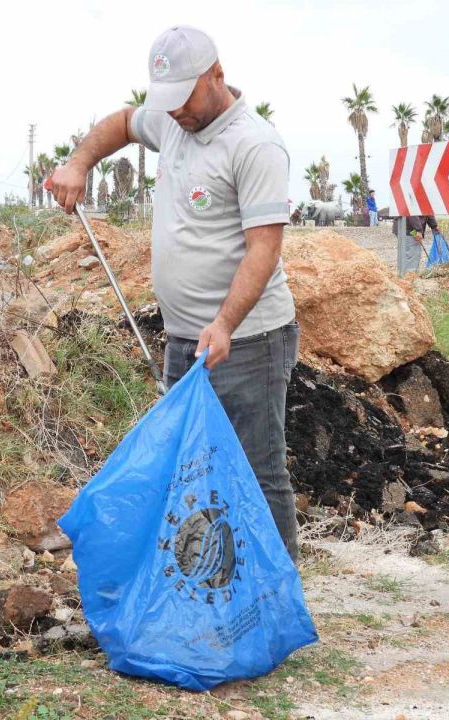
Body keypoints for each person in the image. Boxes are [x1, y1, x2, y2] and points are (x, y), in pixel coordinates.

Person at [48, 26, 301, 561]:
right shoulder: (175, 122)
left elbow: (264, 249)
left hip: (249, 342)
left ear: (217, 76)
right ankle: (214, 588)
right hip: (185, 343)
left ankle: (274, 608)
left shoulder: (254, 144)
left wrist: (226, 323)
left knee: (258, 471)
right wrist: (77, 162)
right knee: (195, 468)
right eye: (168, 101)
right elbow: (120, 122)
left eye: (185, 97)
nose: (177, 112)